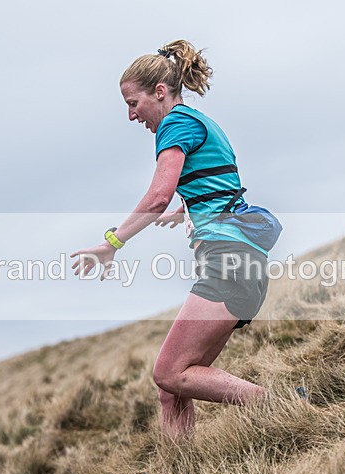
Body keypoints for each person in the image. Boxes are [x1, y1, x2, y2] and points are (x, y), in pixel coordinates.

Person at [70, 39, 271, 441]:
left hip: (228, 261)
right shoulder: (201, 122)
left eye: (133, 103)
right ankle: (179, 473)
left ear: (159, 93)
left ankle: (281, 402)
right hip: (240, 260)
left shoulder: (175, 124)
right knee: (172, 388)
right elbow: (218, 180)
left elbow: (158, 193)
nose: (131, 115)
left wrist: (111, 242)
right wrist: (189, 208)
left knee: (168, 372)